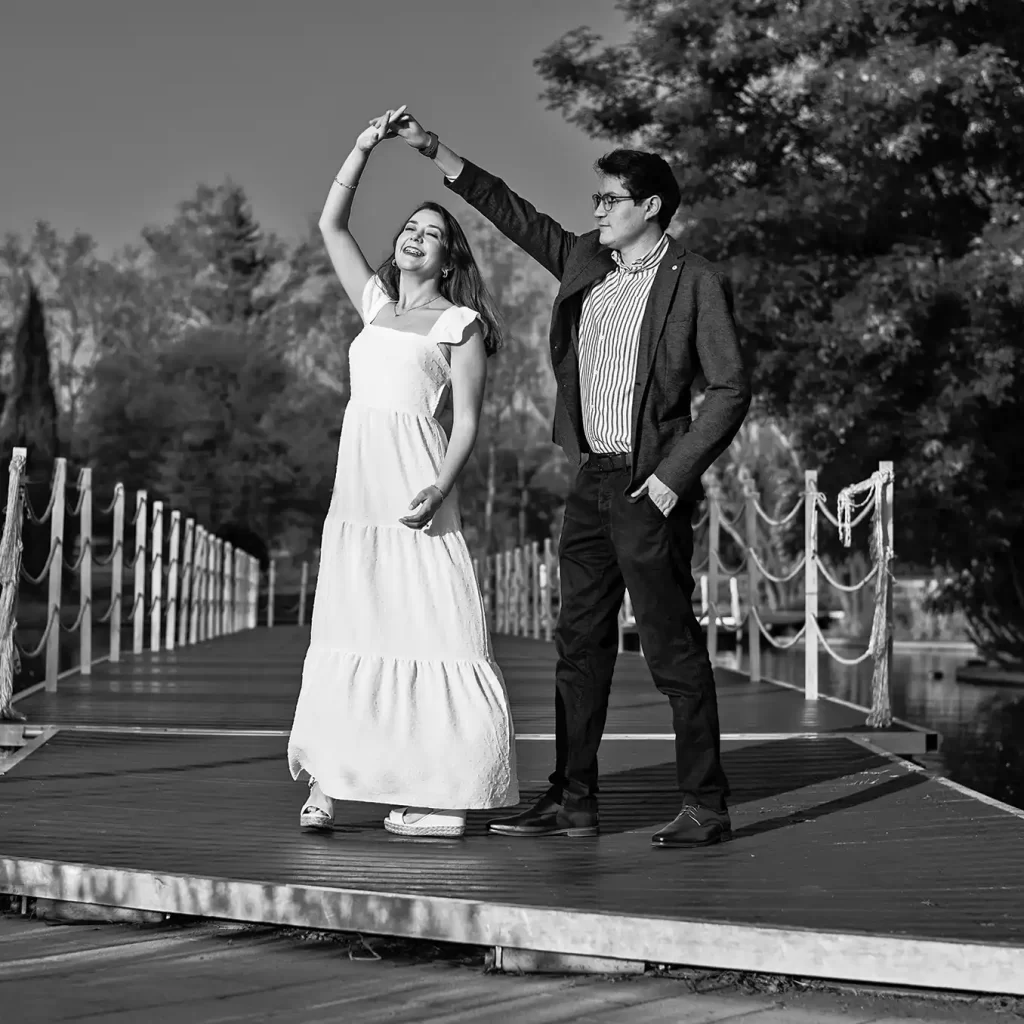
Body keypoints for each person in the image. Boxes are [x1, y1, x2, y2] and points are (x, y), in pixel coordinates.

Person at [386, 107, 752, 847]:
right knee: (577, 645)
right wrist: (435, 150)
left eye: (610, 199)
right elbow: (514, 213)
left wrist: (671, 478)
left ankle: (705, 806)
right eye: (596, 199)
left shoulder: (694, 281)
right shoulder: (587, 260)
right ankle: (573, 800)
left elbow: (729, 389)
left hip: (649, 486)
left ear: (651, 206)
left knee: (670, 647)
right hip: (591, 482)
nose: (598, 211)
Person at [286, 106, 519, 839]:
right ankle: (326, 783)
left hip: (418, 487)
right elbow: (331, 225)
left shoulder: (460, 325)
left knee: (438, 632)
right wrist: (362, 148)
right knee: (349, 628)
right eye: (410, 228)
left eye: (432, 233)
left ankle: (449, 798)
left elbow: (467, 422)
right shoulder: (376, 309)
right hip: (357, 494)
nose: (416, 237)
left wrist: (440, 488)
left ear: (448, 259)